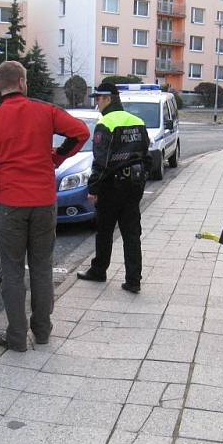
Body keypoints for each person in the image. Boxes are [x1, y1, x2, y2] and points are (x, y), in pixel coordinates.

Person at [0, 60, 89, 352]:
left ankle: (16, 337)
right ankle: (43, 331)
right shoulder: (45, 110)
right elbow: (80, 133)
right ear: (23, 82)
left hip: (10, 203)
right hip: (44, 202)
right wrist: (58, 157)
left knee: (11, 270)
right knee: (41, 267)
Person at [76, 81, 151, 293]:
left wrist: (93, 189)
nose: (97, 103)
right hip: (133, 185)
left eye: (99, 98)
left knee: (105, 231)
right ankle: (133, 280)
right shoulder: (137, 121)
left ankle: (99, 270)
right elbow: (147, 156)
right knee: (131, 234)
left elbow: (101, 160)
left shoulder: (105, 123)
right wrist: (141, 178)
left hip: (111, 186)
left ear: (109, 99)